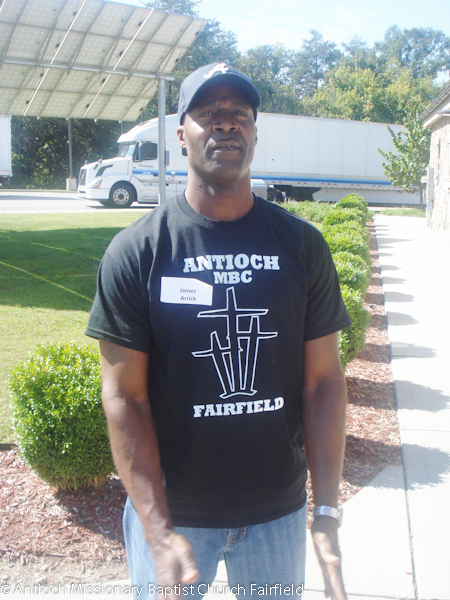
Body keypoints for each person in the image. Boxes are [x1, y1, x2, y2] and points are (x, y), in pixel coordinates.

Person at [85, 62, 351, 600]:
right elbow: (124, 397)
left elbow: (323, 382)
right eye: (208, 113)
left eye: (239, 114)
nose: (225, 124)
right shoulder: (139, 251)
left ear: (253, 132)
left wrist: (325, 508)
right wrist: (157, 528)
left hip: (276, 515)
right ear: (181, 134)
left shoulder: (301, 246)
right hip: (175, 517)